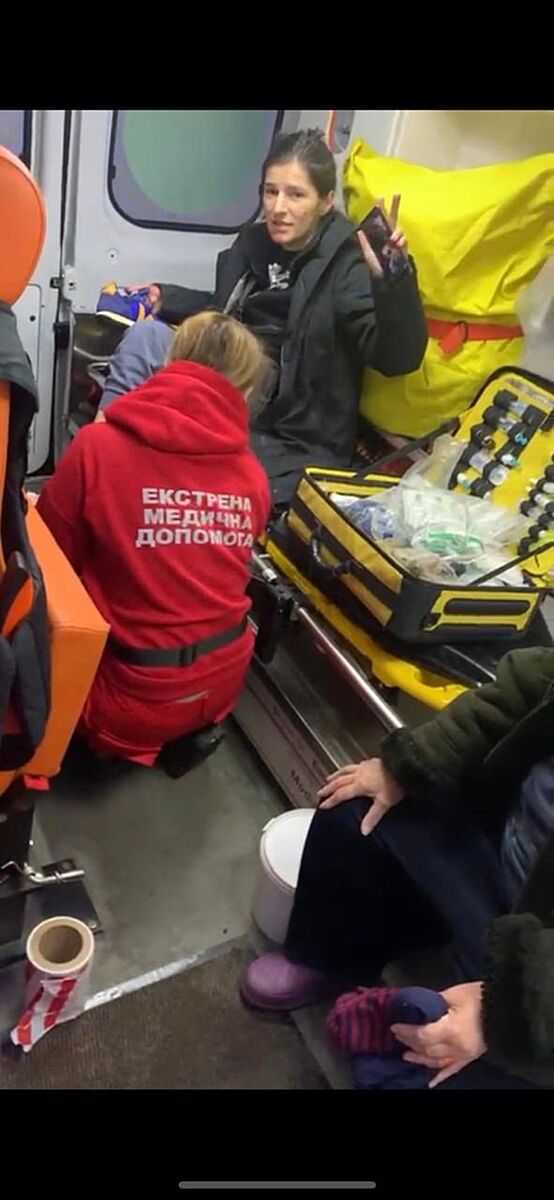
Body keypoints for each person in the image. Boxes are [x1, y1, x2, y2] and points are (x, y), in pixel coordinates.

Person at [241, 646, 554, 1089]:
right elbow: (522, 686)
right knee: (355, 809)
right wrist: (408, 764)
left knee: (437, 1068)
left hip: (541, 950)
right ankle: (325, 958)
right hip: (500, 853)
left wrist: (505, 1011)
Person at [97, 129, 428, 508]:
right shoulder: (254, 243)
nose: (278, 208)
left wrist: (393, 281)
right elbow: (222, 309)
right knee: (146, 337)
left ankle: (127, 470)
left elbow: (397, 358)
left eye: (296, 195)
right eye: (271, 192)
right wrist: (166, 297)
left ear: (325, 202)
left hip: (286, 415)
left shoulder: (345, 264)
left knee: (176, 432)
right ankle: (101, 450)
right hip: (230, 369)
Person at [37, 312, 272, 766]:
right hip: (223, 682)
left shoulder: (97, 447)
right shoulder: (253, 477)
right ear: (243, 392)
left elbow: (50, 561)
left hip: (126, 700)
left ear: (168, 362)